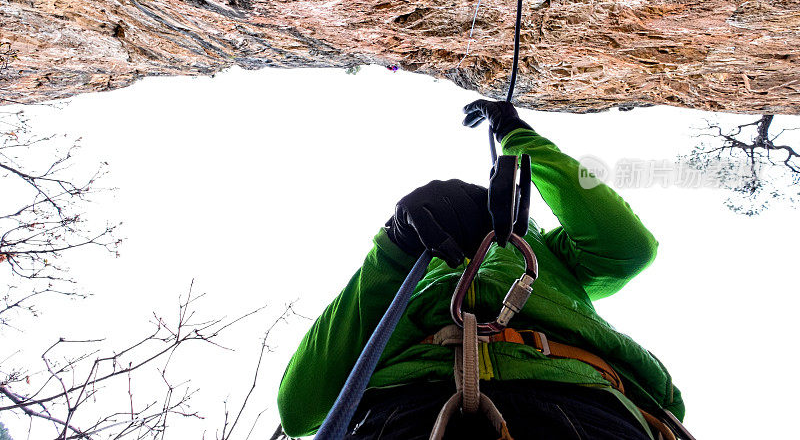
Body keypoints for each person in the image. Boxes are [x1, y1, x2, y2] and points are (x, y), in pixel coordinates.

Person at [277, 100, 686, 439]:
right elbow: (300, 407)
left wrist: (515, 137)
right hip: (413, 407)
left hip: (574, 399)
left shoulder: (551, 254)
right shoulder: (407, 275)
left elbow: (628, 246)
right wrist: (397, 245)